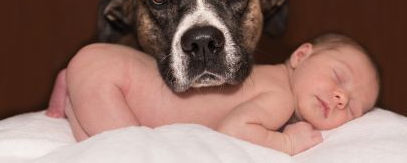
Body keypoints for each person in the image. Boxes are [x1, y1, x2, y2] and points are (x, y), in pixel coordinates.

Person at [46, 33, 380, 155]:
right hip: (113, 82)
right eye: (338, 77)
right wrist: (288, 144)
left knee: (95, 131)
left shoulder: (274, 83)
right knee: (128, 148)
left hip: (106, 66)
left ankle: (74, 83)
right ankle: (79, 81)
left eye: (352, 107)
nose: (339, 98)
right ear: (301, 55)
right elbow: (234, 131)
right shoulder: (280, 96)